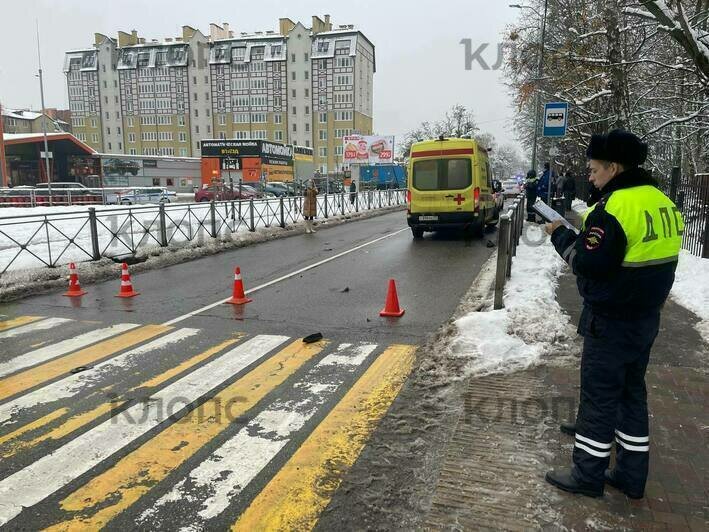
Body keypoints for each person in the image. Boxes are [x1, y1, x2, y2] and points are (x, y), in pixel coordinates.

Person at [543, 129, 683, 499]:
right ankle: (631, 476)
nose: (589, 176)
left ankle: (587, 475)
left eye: (593, 170)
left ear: (613, 167)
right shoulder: (661, 201)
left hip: (611, 319)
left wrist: (560, 235)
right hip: (645, 318)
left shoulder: (616, 207)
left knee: (598, 399)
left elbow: (589, 264)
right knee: (631, 395)